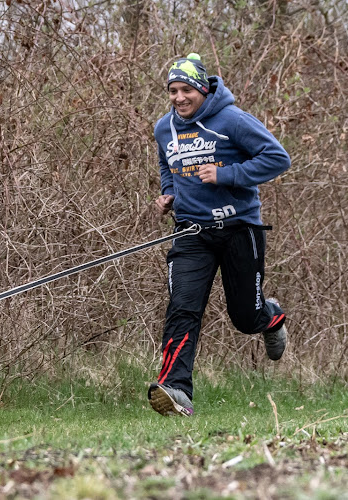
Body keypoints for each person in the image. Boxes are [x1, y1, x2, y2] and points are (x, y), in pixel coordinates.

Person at [148, 53, 290, 417]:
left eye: (186, 90)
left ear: (202, 90)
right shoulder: (164, 128)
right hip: (191, 231)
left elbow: (277, 158)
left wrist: (227, 174)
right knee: (183, 307)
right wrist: (169, 193)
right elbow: (167, 163)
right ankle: (176, 390)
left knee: (245, 317)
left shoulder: (232, 120)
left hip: (240, 228)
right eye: (173, 91)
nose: (179, 98)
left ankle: (270, 316)